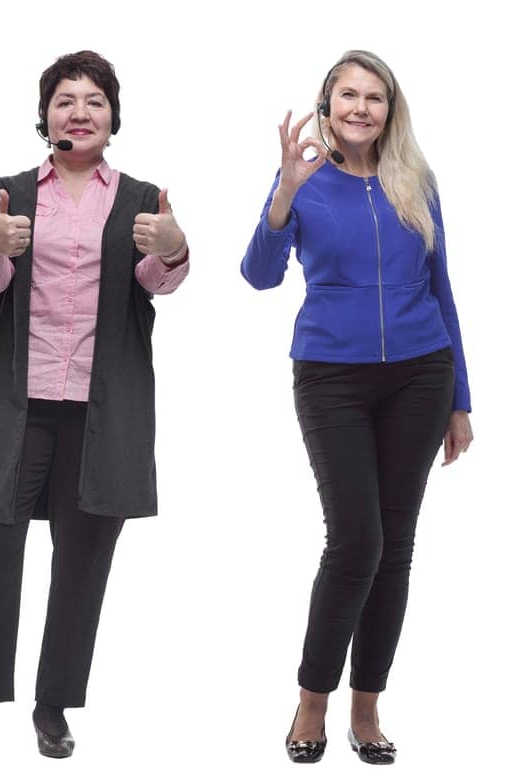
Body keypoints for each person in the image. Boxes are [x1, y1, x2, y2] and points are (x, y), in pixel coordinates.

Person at [0, 50, 189, 769]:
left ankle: (52, 705)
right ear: (45, 115)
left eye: (94, 101)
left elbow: (157, 279)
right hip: (19, 405)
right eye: (64, 99)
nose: (79, 111)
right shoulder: (8, 191)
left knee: (82, 561)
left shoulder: (144, 197)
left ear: (112, 119)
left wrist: (174, 250)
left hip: (101, 409)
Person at [242, 50, 472, 766]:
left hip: (420, 375)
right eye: (349, 95)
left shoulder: (416, 181)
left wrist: (460, 400)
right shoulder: (303, 182)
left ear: (390, 109)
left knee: (395, 548)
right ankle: (312, 698)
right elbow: (257, 275)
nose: (361, 108)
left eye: (375, 96)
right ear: (326, 103)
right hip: (331, 377)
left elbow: (443, 290)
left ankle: (366, 708)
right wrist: (281, 196)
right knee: (356, 541)